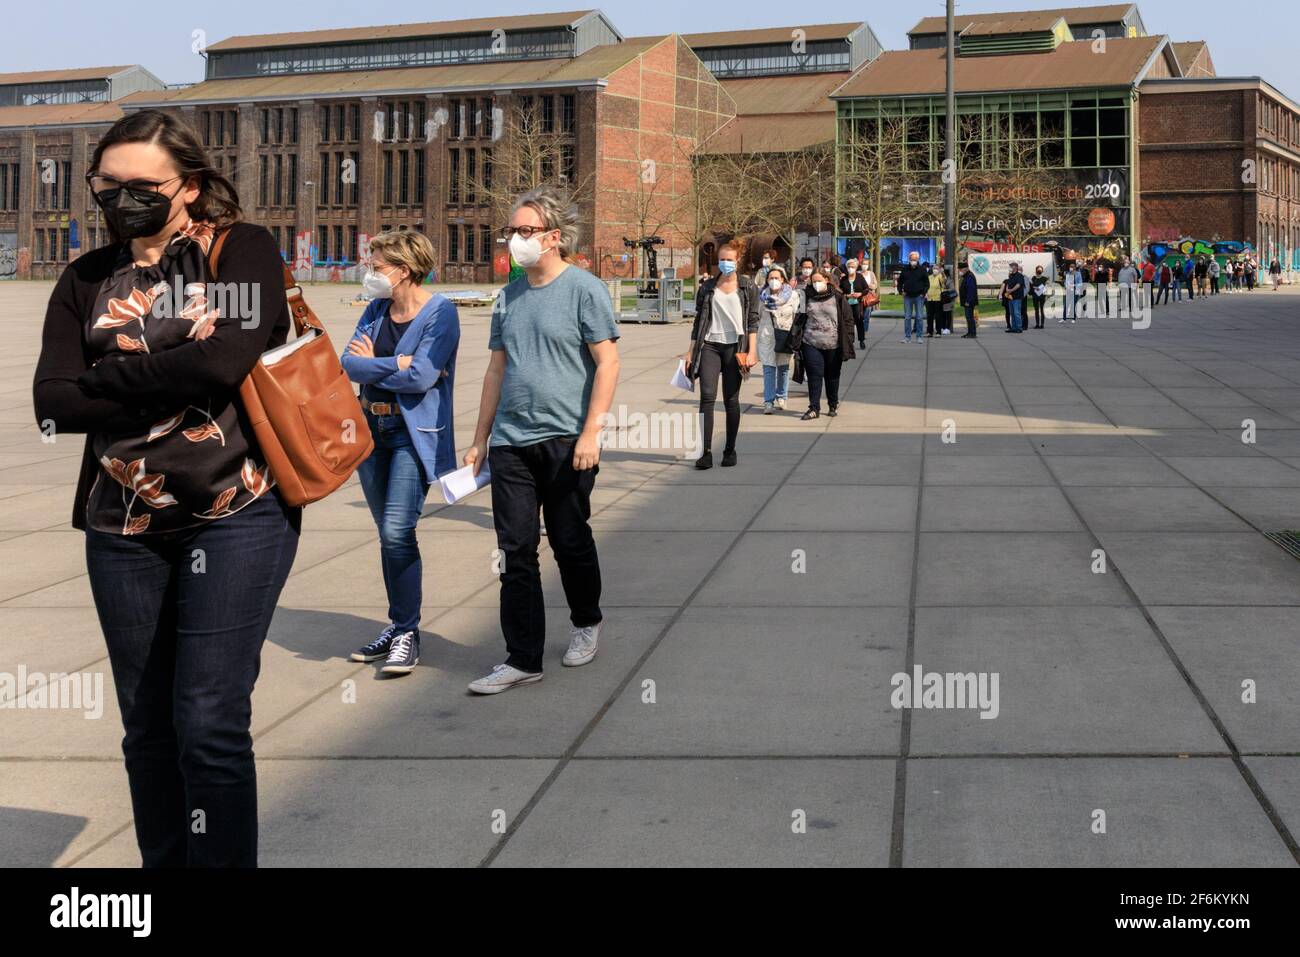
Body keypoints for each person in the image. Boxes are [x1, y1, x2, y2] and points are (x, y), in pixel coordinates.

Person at [33, 109, 300, 867]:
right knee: (147, 726)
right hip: (121, 523)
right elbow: (53, 402)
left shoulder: (241, 251)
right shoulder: (85, 278)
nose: (121, 199)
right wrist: (178, 345)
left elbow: (227, 365)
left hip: (236, 508)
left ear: (186, 185)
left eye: (141, 186)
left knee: (209, 719)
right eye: (106, 184)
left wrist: (108, 377)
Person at [463, 185, 621, 695]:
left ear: (553, 237)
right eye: (511, 231)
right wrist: (480, 438)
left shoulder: (584, 289)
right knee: (516, 550)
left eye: (524, 231)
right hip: (512, 440)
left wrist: (591, 431)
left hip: (566, 438)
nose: (514, 240)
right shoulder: (507, 296)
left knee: (570, 540)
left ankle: (586, 620)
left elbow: (608, 362)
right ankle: (522, 656)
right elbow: (495, 370)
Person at [341, 230, 460, 674]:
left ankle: (407, 632)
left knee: (396, 530)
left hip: (413, 434)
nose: (369, 273)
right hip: (371, 429)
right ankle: (397, 626)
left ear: (404, 270)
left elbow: (423, 378)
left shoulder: (440, 314)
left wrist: (380, 366)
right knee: (387, 533)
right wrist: (396, 365)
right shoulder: (376, 309)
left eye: (377, 266)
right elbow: (348, 364)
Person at [686, 240, 758, 468]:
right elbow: (699, 321)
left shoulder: (747, 287)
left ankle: (729, 449)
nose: (725, 263)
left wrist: (752, 352)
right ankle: (705, 452)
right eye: (722, 260)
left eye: (729, 260)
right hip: (710, 345)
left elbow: (752, 321)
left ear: (738, 261)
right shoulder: (707, 287)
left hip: (735, 348)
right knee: (707, 398)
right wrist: (690, 352)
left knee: (731, 400)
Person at [794, 268, 855, 418]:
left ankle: (832, 404)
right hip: (810, 342)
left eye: (819, 281)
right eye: (813, 281)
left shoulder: (838, 297)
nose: (816, 284)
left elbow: (847, 320)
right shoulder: (805, 297)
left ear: (827, 280)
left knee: (832, 376)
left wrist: (849, 340)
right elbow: (799, 318)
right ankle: (814, 408)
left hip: (833, 344)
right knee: (814, 375)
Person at [757, 263, 798, 414]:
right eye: (771, 278)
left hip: (785, 335)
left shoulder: (792, 296)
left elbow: (796, 317)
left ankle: (782, 396)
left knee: (783, 368)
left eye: (776, 278)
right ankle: (768, 401)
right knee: (768, 368)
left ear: (783, 280)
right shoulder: (761, 297)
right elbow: (757, 316)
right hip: (767, 336)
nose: (773, 280)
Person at [897, 251, 928, 343]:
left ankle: (919, 337)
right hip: (907, 296)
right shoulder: (905, 269)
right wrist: (900, 291)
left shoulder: (922, 269)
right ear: (909, 259)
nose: (913, 261)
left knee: (919, 317)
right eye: (911, 259)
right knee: (907, 317)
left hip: (919, 296)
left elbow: (927, 283)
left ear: (918, 259)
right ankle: (907, 337)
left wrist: (924, 292)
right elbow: (900, 282)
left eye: (914, 259)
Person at [840, 257, 869, 348]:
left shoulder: (860, 277)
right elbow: (840, 292)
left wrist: (860, 294)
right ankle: (850, 341)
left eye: (852, 267)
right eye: (849, 266)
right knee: (848, 323)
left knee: (859, 321)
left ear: (856, 268)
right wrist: (846, 296)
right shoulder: (844, 279)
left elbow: (866, 289)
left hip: (857, 303)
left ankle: (861, 340)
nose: (850, 268)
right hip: (847, 303)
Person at [859, 255, 880, 339]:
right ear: (861, 264)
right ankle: (860, 330)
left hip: (869, 297)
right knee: (860, 316)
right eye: (863, 264)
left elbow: (875, 284)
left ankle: (865, 332)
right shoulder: (858, 274)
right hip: (860, 297)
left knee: (867, 316)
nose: (865, 265)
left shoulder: (871, 274)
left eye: (866, 264)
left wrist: (868, 285)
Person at [959, 261, 979, 337]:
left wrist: (967, 301)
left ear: (966, 269)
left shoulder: (969, 276)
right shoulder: (966, 276)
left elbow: (971, 290)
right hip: (967, 301)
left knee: (969, 317)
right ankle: (970, 332)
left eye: (961, 269)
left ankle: (972, 333)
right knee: (968, 317)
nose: (960, 271)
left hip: (969, 301)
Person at [1004, 261, 1026, 332]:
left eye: (1013, 266)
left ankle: (1019, 328)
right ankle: (1014, 328)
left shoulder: (1019, 275)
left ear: (1016, 267)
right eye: (1011, 266)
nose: (1011, 267)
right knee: (1012, 313)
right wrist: (1007, 289)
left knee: (1017, 313)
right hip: (1010, 297)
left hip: (1017, 297)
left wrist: (1011, 290)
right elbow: (1008, 283)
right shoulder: (1011, 276)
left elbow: (1018, 285)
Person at [924, 262, 945, 337]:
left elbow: (944, 283)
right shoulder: (929, 277)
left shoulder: (940, 276)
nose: (935, 270)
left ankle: (938, 331)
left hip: (938, 298)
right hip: (929, 298)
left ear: (939, 270)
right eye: (934, 268)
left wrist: (942, 274)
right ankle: (930, 331)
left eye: (936, 268)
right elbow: (926, 286)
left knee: (938, 316)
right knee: (929, 316)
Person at [1029, 264, 1049, 329]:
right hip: (1035, 296)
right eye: (1038, 269)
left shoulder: (1045, 278)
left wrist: (1038, 288)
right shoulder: (1033, 278)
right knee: (1036, 310)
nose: (1039, 270)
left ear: (1042, 270)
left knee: (1042, 310)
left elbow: (1046, 287)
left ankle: (1042, 324)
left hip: (1042, 296)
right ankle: (1037, 324)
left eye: (1040, 269)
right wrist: (1036, 287)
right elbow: (1031, 286)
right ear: (1036, 270)